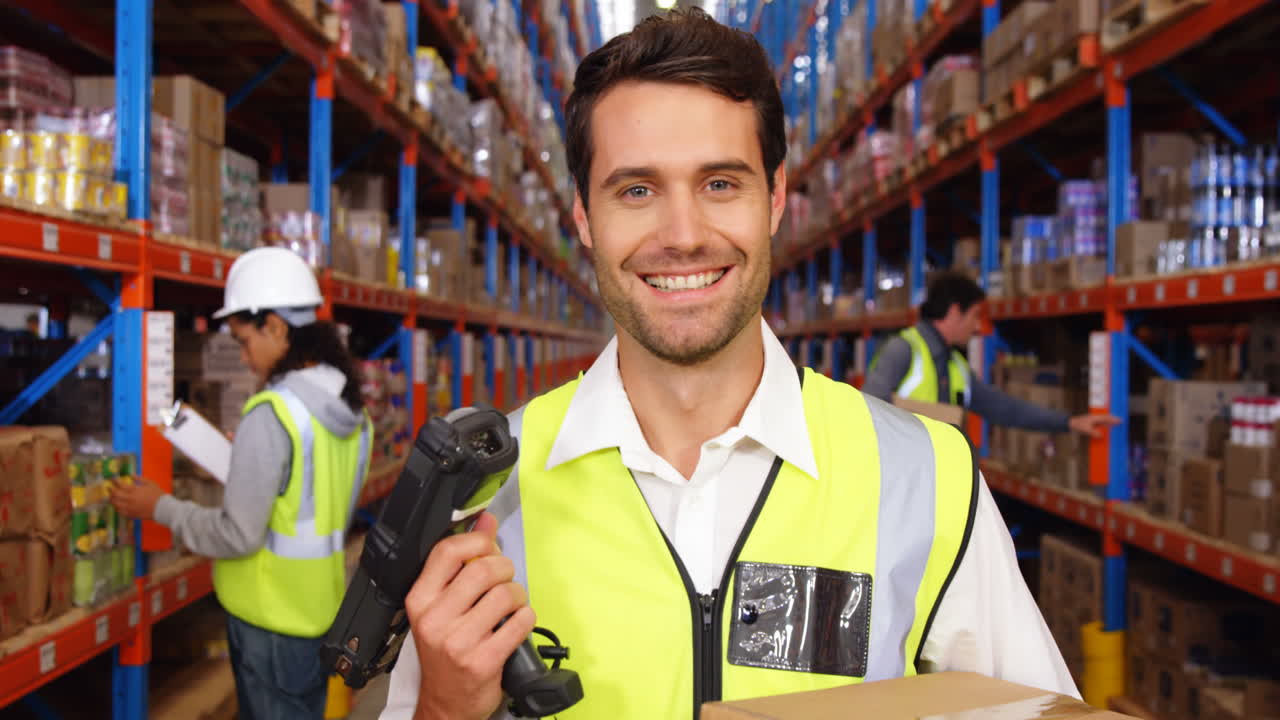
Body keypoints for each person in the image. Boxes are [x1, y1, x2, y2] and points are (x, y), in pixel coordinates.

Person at [381, 10, 1076, 720]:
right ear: (584, 217)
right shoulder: (485, 494)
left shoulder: (926, 477)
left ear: (775, 198)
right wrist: (445, 710)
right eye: (636, 190)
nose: (683, 236)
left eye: (719, 184)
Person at [110, 246, 373, 720]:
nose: (245, 357)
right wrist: (251, 462)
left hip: (269, 621)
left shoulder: (273, 412)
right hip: (319, 612)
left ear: (275, 327)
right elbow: (311, 501)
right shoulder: (353, 412)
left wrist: (159, 507)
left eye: (244, 340)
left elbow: (239, 535)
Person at [862, 271, 1118, 436]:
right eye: (975, 316)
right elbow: (867, 408)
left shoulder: (956, 366)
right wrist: (935, 416)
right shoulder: (904, 350)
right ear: (954, 311)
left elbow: (1002, 408)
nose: (977, 326)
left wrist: (1068, 422)